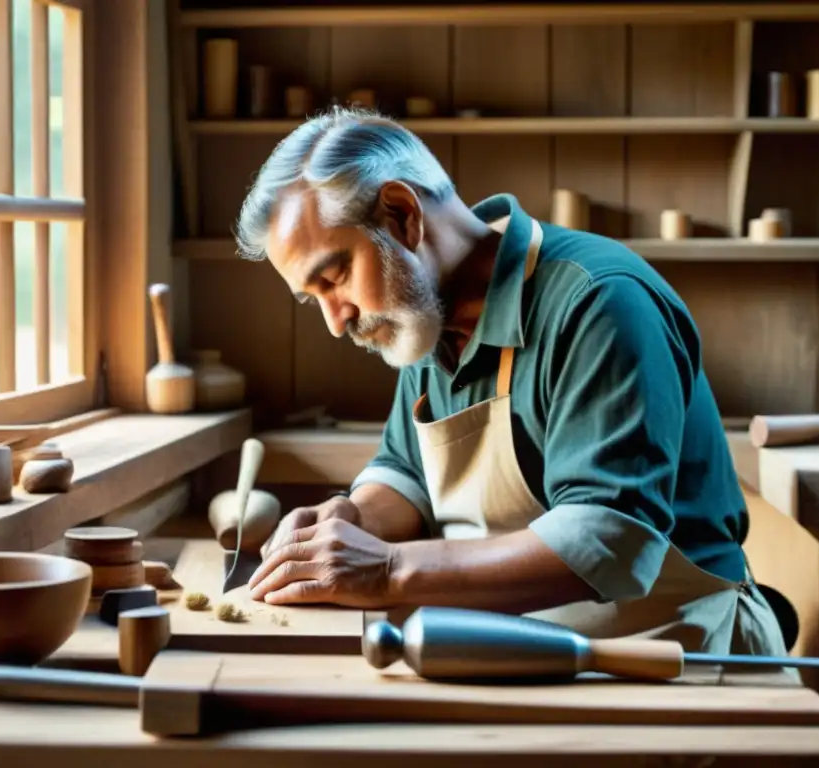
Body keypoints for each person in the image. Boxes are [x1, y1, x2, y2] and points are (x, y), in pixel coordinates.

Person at [234, 106, 789, 656]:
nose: (336, 321)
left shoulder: (597, 301)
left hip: (678, 651)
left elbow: (609, 541)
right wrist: (351, 519)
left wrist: (385, 569)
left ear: (403, 215)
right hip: (531, 645)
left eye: (335, 279)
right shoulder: (421, 317)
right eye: (314, 299)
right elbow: (408, 474)